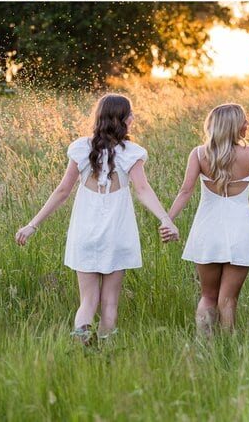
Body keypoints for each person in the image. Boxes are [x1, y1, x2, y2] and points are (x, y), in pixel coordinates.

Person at [14, 93, 178, 345]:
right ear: (124, 119)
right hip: (117, 233)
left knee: (87, 301)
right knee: (110, 303)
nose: (133, 117)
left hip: (85, 233)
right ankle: (105, 354)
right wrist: (165, 218)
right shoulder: (131, 153)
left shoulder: (81, 148)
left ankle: (81, 347)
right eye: (130, 114)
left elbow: (62, 191)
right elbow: (143, 190)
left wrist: (33, 224)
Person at [166, 103, 249, 335]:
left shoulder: (199, 154)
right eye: (244, 121)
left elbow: (185, 191)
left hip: (207, 231)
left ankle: (205, 346)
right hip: (241, 231)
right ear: (233, 126)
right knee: (228, 299)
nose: (248, 124)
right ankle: (228, 346)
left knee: (207, 295)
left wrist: (167, 220)